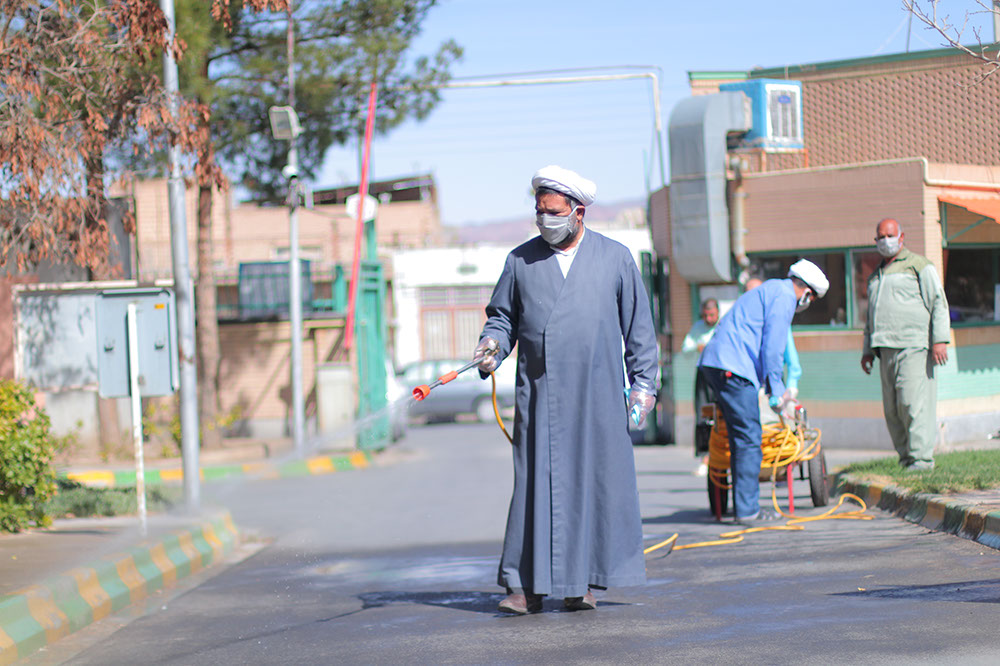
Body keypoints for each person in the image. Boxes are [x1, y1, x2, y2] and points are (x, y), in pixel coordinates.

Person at [475, 165, 659, 614]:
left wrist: (644, 387)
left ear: (578, 212)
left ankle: (582, 585)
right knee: (535, 488)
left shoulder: (615, 258)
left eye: (553, 212)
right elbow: (502, 318)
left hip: (597, 397)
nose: (544, 220)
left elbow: (639, 330)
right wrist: (491, 345)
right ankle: (525, 586)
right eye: (539, 212)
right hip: (540, 396)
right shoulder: (520, 261)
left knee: (593, 486)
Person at [698, 260, 829, 525]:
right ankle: (747, 512)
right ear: (805, 291)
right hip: (732, 369)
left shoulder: (772, 289)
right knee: (749, 438)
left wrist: (772, 389)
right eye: (812, 298)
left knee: (739, 439)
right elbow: (773, 349)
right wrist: (778, 392)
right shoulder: (783, 298)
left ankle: (744, 508)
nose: (808, 303)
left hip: (720, 364)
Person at [861, 218, 950, 471]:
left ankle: (921, 460)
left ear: (901, 237)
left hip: (915, 346)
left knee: (913, 403)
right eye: (881, 236)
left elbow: (938, 303)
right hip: (884, 347)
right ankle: (906, 459)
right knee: (893, 409)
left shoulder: (919, 266)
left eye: (890, 235)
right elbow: (870, 317)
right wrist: (867, 350)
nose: (885, 241)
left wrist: (940, 340)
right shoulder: (876, 275)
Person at [744, 276, 802, 422]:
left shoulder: (777, 317)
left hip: (772, 385)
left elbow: (791, 360)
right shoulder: (745, 321)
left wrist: (790, 388)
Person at [682, 299, 719, 457]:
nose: (709, 319)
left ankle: (721, 453)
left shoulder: (723, 326)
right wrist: (697, 346)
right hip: (703, 372)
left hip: (720, 373)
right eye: (705, 315)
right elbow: (686, 348)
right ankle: (705, 456)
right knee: (703, 413)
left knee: (721, 413)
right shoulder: (698, 328)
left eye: (712, 315)